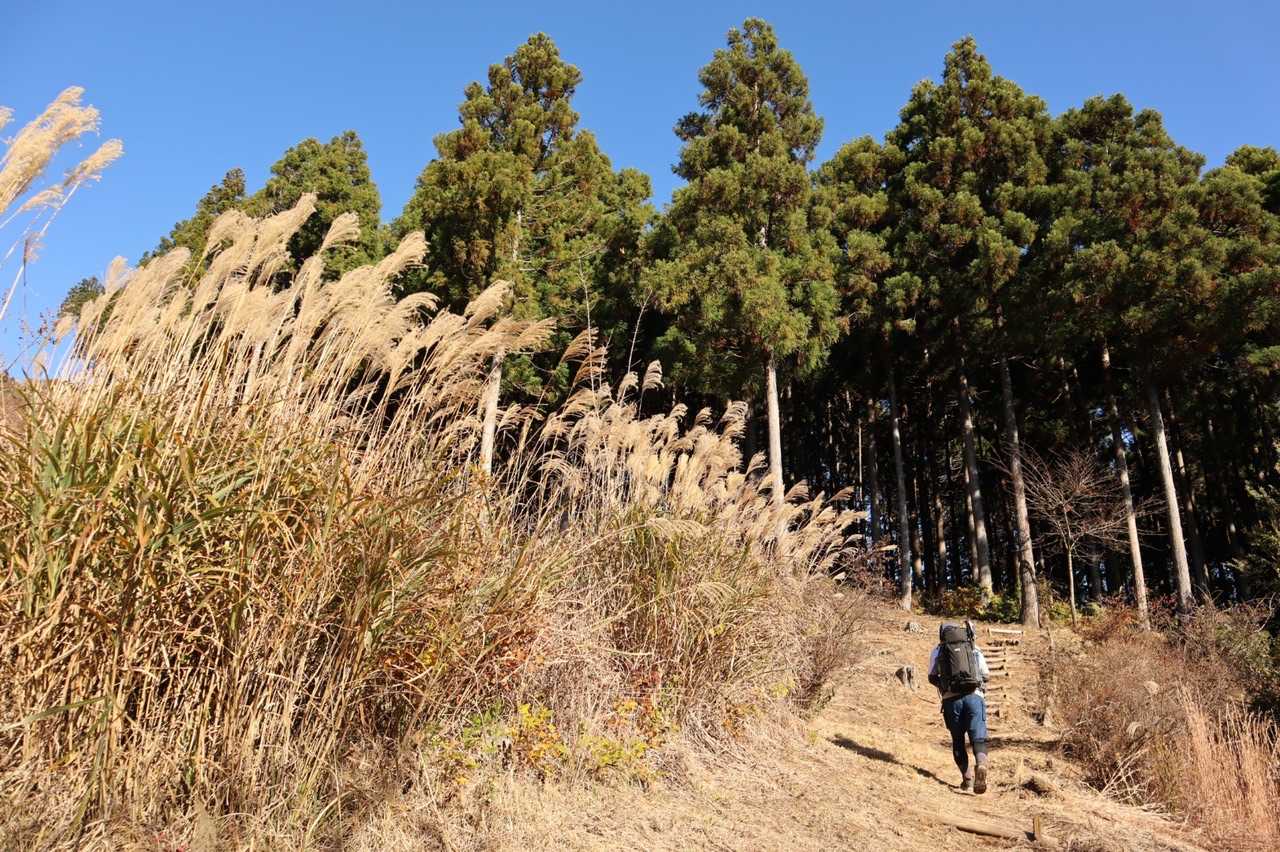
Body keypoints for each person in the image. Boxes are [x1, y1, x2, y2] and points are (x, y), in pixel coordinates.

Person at [927, 621, 991, 793]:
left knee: (957, 740)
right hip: (974, 697)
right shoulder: (973, 648)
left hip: (951, 701)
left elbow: (931, 677)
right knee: (978, 738)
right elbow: (986, 675)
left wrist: (945, 685)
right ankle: (981, 764)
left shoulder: (938, 650)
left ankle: (967, 780)